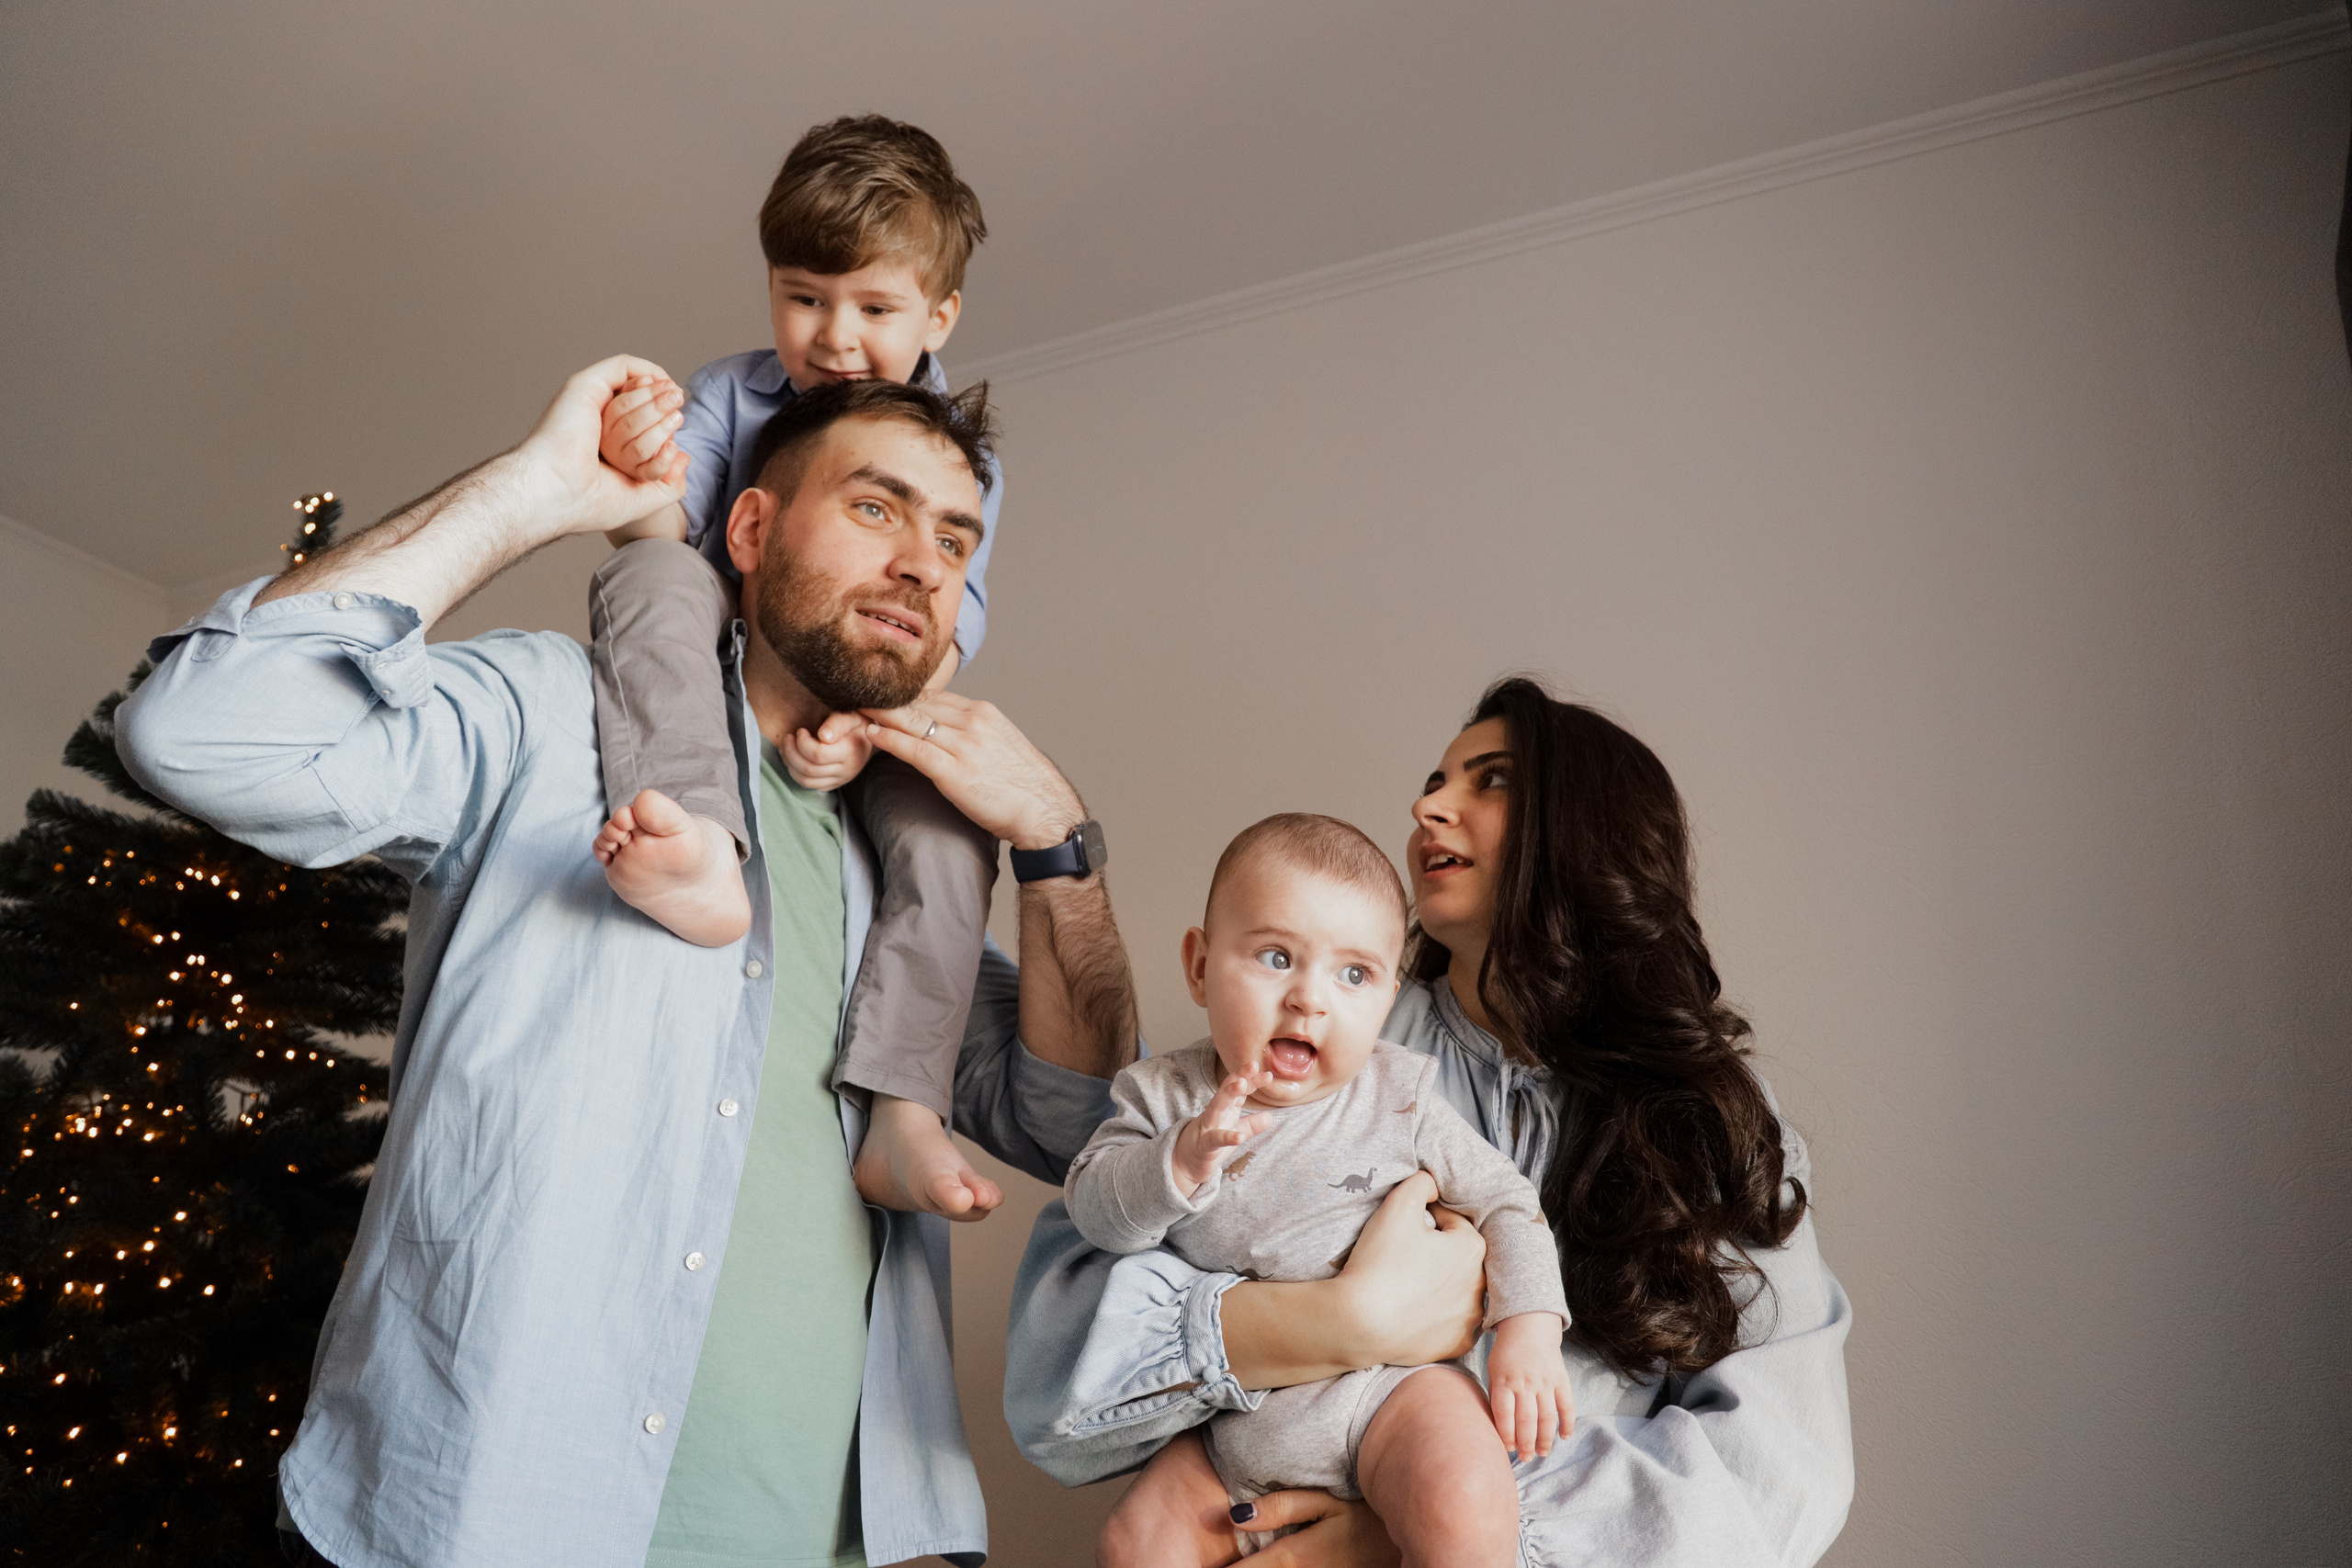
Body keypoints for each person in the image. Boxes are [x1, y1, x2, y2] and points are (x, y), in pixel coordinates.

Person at [115, 356, 1136, 1568]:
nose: (924, 560)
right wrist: (536, 486)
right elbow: (200, 727)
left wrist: (1057, 843)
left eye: (955, 538)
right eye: (876, 506)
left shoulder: (913, 880)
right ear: (749, 527)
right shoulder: (557, 716)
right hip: (478, 1523)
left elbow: (1077, 1123)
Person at [1010, 678, 1855, 1566]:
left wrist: (1447, 1527)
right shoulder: (1295, 1071)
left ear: (1586, 830)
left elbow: (1785, 1469)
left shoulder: (1711, 1125)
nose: (1426, 805)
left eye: (1488, 780)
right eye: (1435, 778)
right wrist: (1337, 1319)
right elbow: (1050, 1382)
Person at [588, 113, 1012, 1231]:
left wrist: (875, 722)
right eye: (802, 296)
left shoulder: (958, 462)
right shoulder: (725, 396)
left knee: (950, 821)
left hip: (863, 692)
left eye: (874, 309)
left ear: (937, 315)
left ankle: (903, 1106)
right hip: (725, 666)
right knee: (650, 580)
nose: (832, 336)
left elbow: (936, 624)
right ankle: (696, 838)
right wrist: (634, 462)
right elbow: (663, 532)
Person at [1069, 814, 1574, 1566]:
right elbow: (1094, 1208)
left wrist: (1531, 1327)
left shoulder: (1399, 1095)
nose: (1311, 999)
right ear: (1201, 966)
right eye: (1277, 956)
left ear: (1386, 997)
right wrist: (1177, 1162)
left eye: (1353, 975)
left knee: (1466, 1503)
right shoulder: (1163, 1098)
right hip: (1236, 1416)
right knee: (1133, 1542)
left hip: (1396, 1396)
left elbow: (1507, 1201)